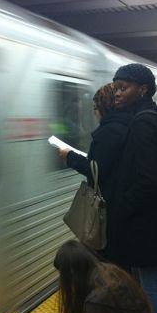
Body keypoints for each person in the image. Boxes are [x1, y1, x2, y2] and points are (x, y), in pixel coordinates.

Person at [100, 63, 157, 313]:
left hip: (146, 221)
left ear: (143, 89)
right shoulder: (149, 115)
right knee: (146, 282)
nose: (117, 93)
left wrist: (121, 206)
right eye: (115, 88)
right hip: (149, 218)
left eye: (123, 87)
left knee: (151, 285)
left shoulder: (143, 122)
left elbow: (149, 179)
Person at [60, 82, 131, 248]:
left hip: (110, 206)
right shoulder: (125, 125)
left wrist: (69, 156)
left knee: (109, 254)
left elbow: (97, 170)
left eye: (95, 108)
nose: (94, 113)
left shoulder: (110, 131)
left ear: (104, 107)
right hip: (119, 202)